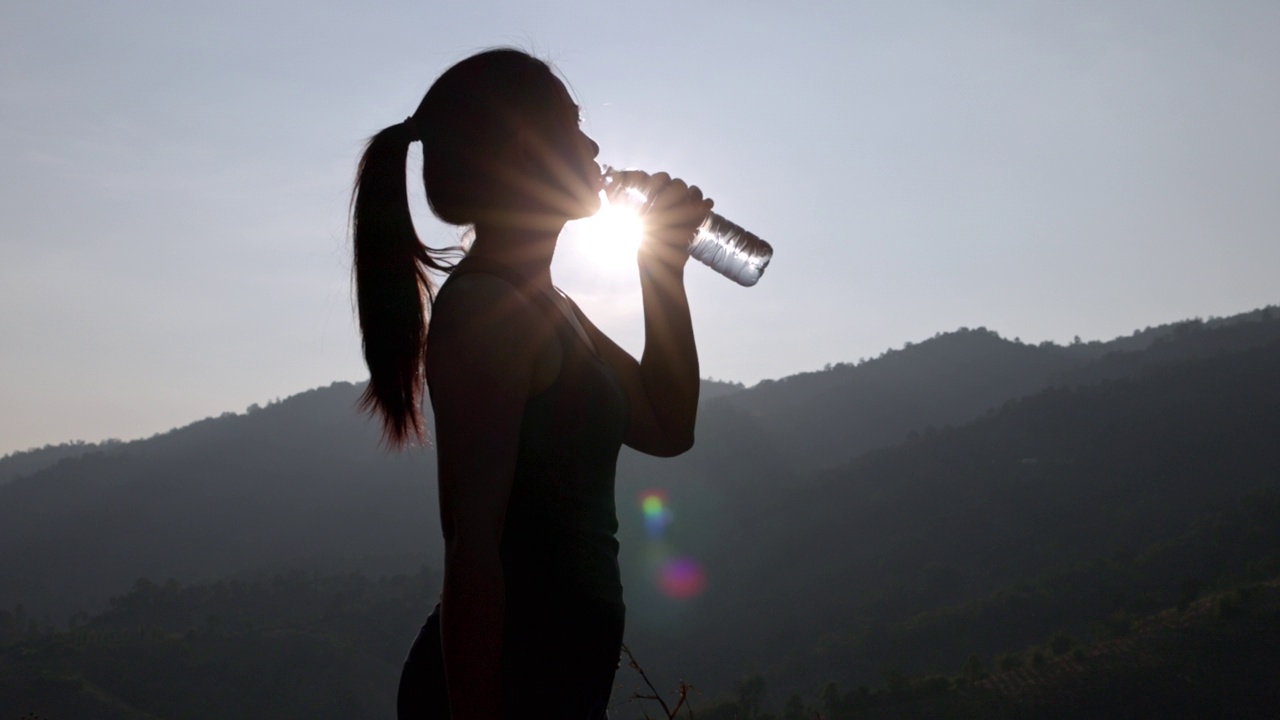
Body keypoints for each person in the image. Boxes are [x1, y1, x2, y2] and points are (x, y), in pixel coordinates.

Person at [350, 48, 710, 719]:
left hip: (562, 675)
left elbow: (668, 425)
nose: (594, 145)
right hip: (509, 681)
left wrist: (662, 266)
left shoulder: (550, 307)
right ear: (524, 154)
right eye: (573, 128)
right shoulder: (490, 310)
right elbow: (473, 542)